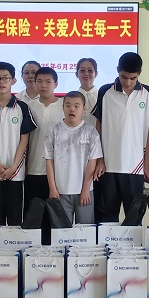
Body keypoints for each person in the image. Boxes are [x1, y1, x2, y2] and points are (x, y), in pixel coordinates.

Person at [92, 52, 149, 222]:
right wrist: (100, 159)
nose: (128, 82)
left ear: (139, 73)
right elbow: (99, 125)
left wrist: (146, 163)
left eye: (133, 78)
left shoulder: (147, 93)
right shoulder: (105, 91)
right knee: (106, 219)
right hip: (108, 167)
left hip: (135, 167)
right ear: (117, 71)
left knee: (133, 219)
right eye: (124, 77)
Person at [0, 62, 37, 225]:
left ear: (13, 80)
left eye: (5, 78)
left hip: (15, 172)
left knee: (15, 219)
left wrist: (13, 167)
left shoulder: (22, 107)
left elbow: (24, 139)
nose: (1, 82)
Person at [45, 91, 103, 224]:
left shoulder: (91, 132)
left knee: (85, 231)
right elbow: (49, 161)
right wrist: (52, 188)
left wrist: (86, 189)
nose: (72, 109)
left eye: (76, 106)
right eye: (68, 105)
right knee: (62, 231)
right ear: (63, 107)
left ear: (84, 109)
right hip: (60, 191)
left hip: (84, 191)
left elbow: (92, 162)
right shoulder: (53, 131)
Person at [24, 67, 64, 211]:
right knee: (34, 214)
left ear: (56, 84)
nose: (43, 85)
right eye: (39, 81)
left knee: (55, 216)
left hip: (59, 171)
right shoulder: (28, 107)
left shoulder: (64, 106)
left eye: (48, 81)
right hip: (34, 169)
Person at [76, 58, 98, 127]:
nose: (86, 74)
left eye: (90, 70)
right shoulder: (72, 98)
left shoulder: (103, 96)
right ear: (76, 74)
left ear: (96, 74)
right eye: (82, 70)